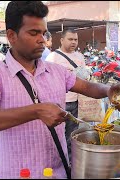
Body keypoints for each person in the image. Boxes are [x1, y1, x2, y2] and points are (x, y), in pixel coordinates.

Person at [0, 1, 120, 179]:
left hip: (57, 173)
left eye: (43, 33)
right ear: (11, 36)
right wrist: (35, 111)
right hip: (18, 174)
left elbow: (87, 87)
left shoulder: (56, 71)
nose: (42, 40)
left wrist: (109, 90)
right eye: (33, 33)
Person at [45, 28, 86, 161]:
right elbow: (47, 79)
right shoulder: (53, 57)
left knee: (72, 134)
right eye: (70, 39)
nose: (73, 42)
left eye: (76, 39)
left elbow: (84, 77)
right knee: (56, 135)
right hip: (59, 103)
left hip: (76, 102)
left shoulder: (79, 56)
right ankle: (56, 161)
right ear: (62, 40)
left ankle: (69, 163)